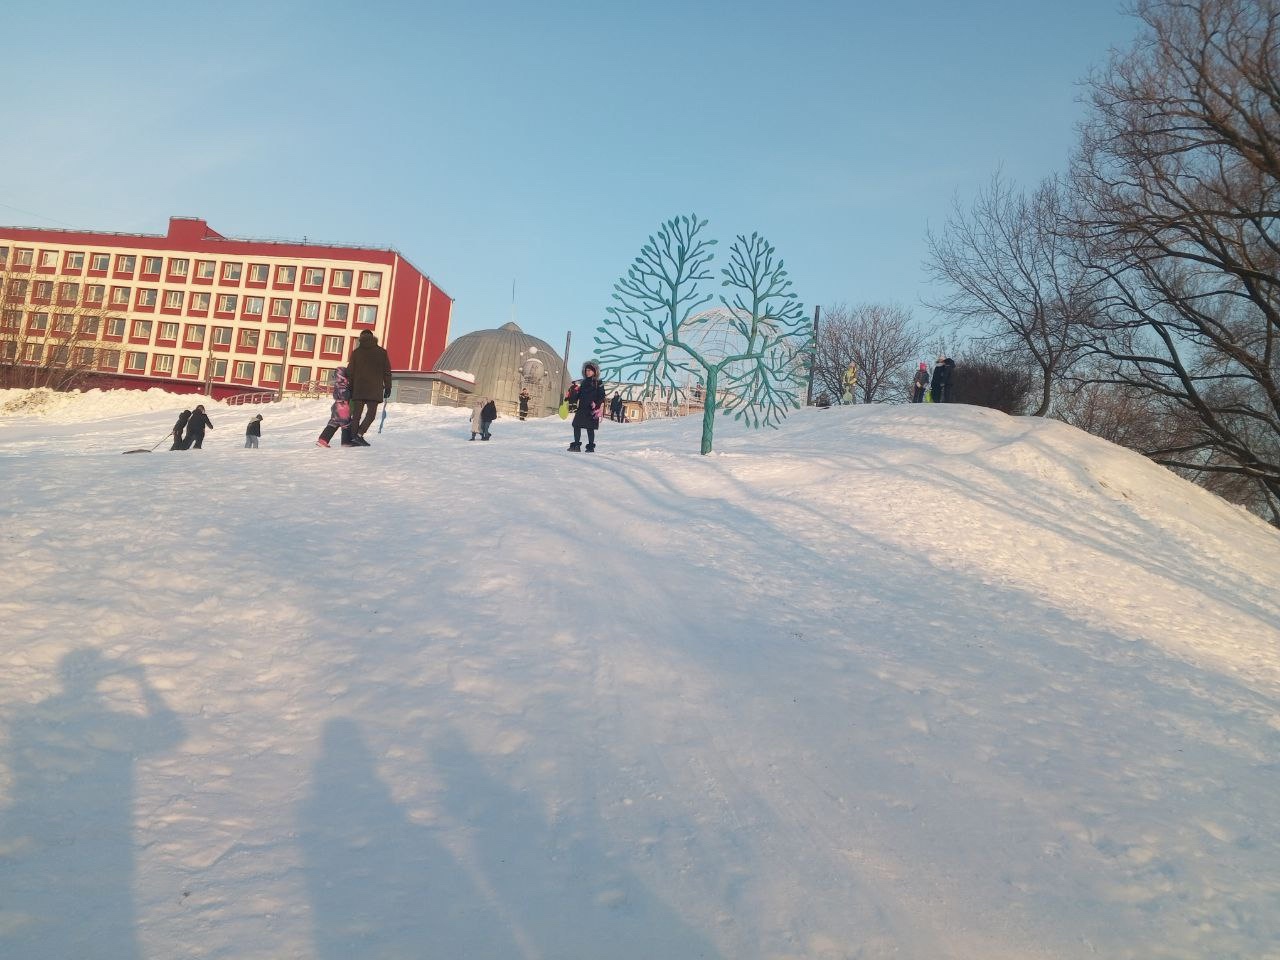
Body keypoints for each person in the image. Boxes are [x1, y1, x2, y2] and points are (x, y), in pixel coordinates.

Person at [346, 329, 391, 445]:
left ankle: (353, 437)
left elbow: (350, 372)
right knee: (371, 415)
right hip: (374, 389)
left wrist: (350, 387)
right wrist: (388, 387)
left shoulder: (356, 352)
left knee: (356, 415)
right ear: (373, 338)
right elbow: (387, 371)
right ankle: (359, 435)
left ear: (361, 338)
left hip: (359, 389)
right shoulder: (382, 352)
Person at [566, 360, 606, 452]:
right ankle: (576, 446)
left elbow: (601, 395)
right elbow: (579, 395)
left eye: (589, 370)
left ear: (594, 371)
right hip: (582, 408)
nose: (587, 372)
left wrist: (596, 405)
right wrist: (571, 396)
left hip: (592, 409)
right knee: (576, 425)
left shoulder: (598, 383)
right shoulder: (583, 382)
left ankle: (590, 447)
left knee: (590, 428)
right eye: (586, 370)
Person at [317, 367, 353, 447]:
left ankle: (323, 440)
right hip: (343, 406)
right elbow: (345, 395)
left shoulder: (337, 384)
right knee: (346, 424)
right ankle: (346, 442)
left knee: (333, 423)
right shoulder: (344, 386)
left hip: (336, 406)